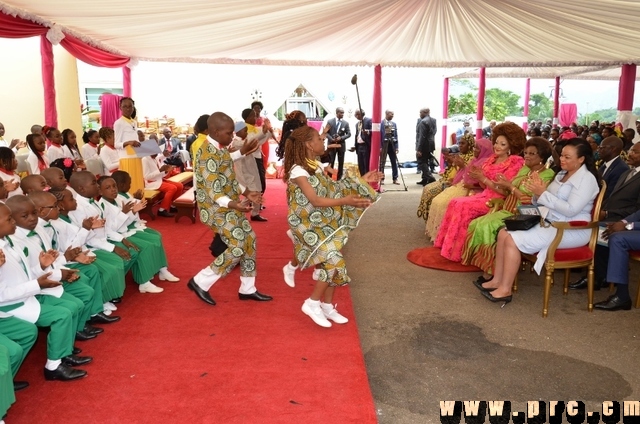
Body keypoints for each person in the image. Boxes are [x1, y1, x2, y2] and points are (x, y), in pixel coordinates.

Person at [477, 139, 600, 305]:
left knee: (512, 240)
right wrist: (536, 191)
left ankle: (505, 289)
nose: (562, 159)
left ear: (581, 159)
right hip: (550, 222)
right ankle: (497, 280)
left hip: (570, 229)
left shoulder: (587, 179)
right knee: (503, 233)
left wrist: (543, 193)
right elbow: (542, 201)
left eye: (567, 157)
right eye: (562, 155)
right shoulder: (562, 174)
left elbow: (571, 210)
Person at [282, 124, 380, 327]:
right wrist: (346, 201)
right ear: (309, 145)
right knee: (334, 262)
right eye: (319, 138)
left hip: (320, 221)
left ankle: (326, 307)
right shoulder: (298, 172)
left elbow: (333, 188)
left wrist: (362, 180)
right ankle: (312, 303)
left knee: (333, 265)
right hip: (306, 225)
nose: (323, 140)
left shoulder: (315, 165)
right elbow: (316, 200)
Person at [186, 112, 271, 306]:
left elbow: (227, 175)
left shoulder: (218, 147)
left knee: (249, 239)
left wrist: (247, 192)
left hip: (228, 204)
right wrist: (235, 204)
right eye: (229, 132)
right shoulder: (206, 152)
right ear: (215, 131)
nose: (232, 136)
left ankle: (247, 289)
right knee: (238, 245)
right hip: (214, 209)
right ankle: (200, 281)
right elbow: (214, 192)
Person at [0, 202, 88, 381]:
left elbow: (24, 274)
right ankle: (53, 366)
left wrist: (41, 266)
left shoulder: (9, 242)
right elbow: (2, 295)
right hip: (11, 305)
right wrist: (37, 285)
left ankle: (62, 353)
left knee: (70, 309)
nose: (13, 222)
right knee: (61, 316)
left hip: (27, 296)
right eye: (9, 219)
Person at [463, 137, 555, 280]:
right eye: (526, 153)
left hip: (523, 215)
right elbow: (508, 191)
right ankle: (487, 268)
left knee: (488, 226)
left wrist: (510, 186)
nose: (527, 156)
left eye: (532, 154)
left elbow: (531, 201)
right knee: (477, 223)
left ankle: (491, 274)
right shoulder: (525, 168)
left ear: (542, 157)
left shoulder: (547, 175)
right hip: (507, 209)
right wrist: (504, 184)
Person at [434, 123, 526, 262]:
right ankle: (448, 248)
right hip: (484, 195)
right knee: (455, 202)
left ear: (511, 146)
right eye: (496, 142)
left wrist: (483, 178)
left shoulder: (515, 162)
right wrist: (479, 177)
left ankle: (459, 253)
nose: (497, 146)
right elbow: (483, 184)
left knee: (462, 206)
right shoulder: (491, 159)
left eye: (502, 144)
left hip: (498, 201)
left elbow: (505, 191)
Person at [570, 142, 640, 291]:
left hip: (625, 218)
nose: (630, 154)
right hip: (611, 214)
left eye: (635, 152)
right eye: (631, 150)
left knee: (598, 231)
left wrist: (608, 214)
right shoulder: (628, 173)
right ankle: (598, 275)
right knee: (592, 225)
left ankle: (598, 276)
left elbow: (636, 208)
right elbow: (612, 197)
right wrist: (600, 210)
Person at [425, 138, 492, 238]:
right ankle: (438, 233)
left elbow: (483, 183)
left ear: (484, 150)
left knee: (444, 204)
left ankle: (445, 235)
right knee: (437, 200)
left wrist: (464, 168)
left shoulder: (486, 163)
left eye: (477, 148)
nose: (474, 150)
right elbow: (464, 174)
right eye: (474, 147)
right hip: (462, 185)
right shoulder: (474, 160)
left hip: (473, 190)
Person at [417, 133, 475, 222]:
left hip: (458, 183)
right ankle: (430, 220)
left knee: (431, 193)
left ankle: (434, 221)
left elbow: (467, 173)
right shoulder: (460, 155)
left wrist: (460, 165)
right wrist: (450, 161)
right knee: (427, 188)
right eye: (459, 143)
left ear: (470, 145)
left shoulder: (472, 158)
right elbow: (453, 169)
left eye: (463, 143)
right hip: (448, 179)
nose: (460, 145)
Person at [242, 108, 271, 222]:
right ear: (247, 117)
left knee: (258, 186)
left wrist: (267, 131)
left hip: (256, 158)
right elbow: (251, 141)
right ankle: (243, 208)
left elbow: (261, 140)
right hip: (250, 160)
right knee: (256, 187)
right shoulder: (244, 129)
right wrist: (263, 132)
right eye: (253, 116)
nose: (256, 118)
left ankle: (254, 211)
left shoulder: (254, 128)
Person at [114, 97, 144, 193]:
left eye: (130, 106)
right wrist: (128, 142)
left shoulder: (134, 122)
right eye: (125, 106)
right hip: (126, 158)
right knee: (129, 185)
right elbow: (116, 144)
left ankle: (139, 204)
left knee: (138, 182)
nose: (128, 109)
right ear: (120, 107)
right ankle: (131, 206)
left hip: (136, 156)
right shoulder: (119, 123)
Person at [141, 153, 182, 217]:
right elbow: (146, 177)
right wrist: (160, 170)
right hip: (152, 183)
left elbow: (161, 174)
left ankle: (172, 206)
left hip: (160, 180)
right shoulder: (145, 159)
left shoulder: (155, 159)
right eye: (155, 152)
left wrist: (166, 171)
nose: (157, 154)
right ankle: (162, 210)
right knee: (172, 188)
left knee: (180, 186)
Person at [597, 136, 627, 200]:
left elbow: (610, 195)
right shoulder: (604, 164)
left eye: (602, 148)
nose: (598, 150)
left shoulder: (621, 169)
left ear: (613, 149)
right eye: (598, 148)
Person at [324, 107, 351, 180]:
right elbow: (325, 133)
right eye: (341, 113)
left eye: (343, 113)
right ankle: (329, 179)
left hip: (341, 146)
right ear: (337, 113)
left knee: (341, 163)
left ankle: (339, 179)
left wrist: (341, 138)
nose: (342, 114)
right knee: (331, 162)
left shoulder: (345, 123)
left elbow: (349, 134)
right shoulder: (330, 121)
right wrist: (331, 139)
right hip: (331, 146)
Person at [415, 108, 437, 185]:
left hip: (423, 145)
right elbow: (434, 132)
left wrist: (419, 149)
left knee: (421, 162)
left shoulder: (423, 122)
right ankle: (424, 179)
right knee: (427, 161)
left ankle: (430, 177)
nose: (419, 114)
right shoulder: (433, 120)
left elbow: (422, 136)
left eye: (420, 112)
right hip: (431, 144)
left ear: (425, 112)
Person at [379, 110, 399, 185]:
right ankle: (381, 178)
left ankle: (395, 178)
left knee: (394, 162)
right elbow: (379, 136)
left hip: (392, 146)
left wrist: (396, 147)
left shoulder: (394, 124)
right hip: (384, 146)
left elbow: (396, 136)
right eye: (391, 114)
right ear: (386, 114)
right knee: (382, 163)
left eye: (393, 114)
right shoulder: (381, 123)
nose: (392, 115)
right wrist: (380, 147)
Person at [352, 109, 372, 177]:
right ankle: (363, 178)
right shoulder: (357, 124)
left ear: (362, 114)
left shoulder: (368, 120)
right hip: (359, 146)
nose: (356, 116)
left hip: (366, 145)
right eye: (355, 114)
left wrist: (368, 132)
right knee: (360, 164)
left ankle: (367, 179)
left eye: (357, 114)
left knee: (366, 163)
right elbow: (357, 135)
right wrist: (355, 145)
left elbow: (375, 131)